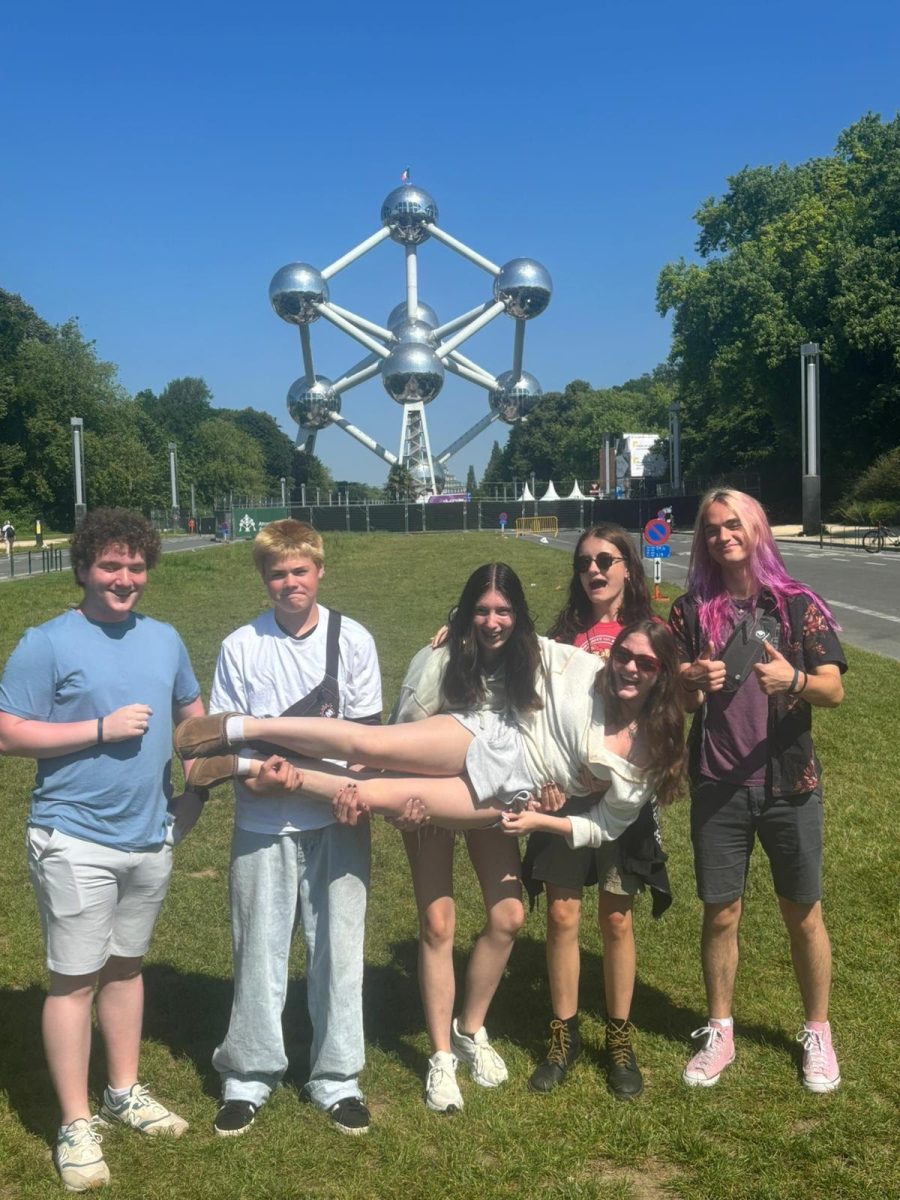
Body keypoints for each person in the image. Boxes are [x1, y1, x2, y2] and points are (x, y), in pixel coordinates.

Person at [0, 508, 206, 1193]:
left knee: (124, 968)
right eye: (111, 566)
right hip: (73, 837)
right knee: (74, 980)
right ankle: (74, 1123)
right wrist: (97, 728)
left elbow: (191, 717)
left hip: (150, 835)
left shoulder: (166, 638)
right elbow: (7, 732)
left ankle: (123, 1091)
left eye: (137, 566)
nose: (125, 579)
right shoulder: (47, 643)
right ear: (84, 568)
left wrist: (195, 793)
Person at [176, 621, 685, 849]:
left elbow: (604, 829)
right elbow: (519, 634)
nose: (629, 668)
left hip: (512, 789)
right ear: (611, 653)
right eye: (624, 655)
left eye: (646, 662)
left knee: (376, 793)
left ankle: (243, 766)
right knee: (369, 744)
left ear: (662, 673)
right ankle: (237, 727)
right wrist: (458, 626)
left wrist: (537, 823)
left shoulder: (650, 757)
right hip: (490, 733)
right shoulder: (584, 668)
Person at [207, 520, 383, 1139]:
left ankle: (337, 1077)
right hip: (262, 819)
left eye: (299, 571)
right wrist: (258, 778)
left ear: (319, 571)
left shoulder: (352, 638)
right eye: (277, 573)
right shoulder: (240, 646)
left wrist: (341, 789)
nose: (290, 583)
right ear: (263, 578)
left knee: (338, 948)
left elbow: (366, 740)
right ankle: (248, 1075)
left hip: (336, 815)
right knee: (258, 947)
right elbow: (222, 743)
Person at [669, 487, 846, 1093]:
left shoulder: (796, 604)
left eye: (734, 523)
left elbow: (833, 688)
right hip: (718, 783)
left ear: (756, 528)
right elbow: (683, 699)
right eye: (713, 528)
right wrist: (691, 679)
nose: (723, 535)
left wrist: (792, 677)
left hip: (789, 786)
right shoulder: (691, 611)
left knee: (803, 913)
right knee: (721, 913)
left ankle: (817, 1031)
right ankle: (720, 1029)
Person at [523, 525, 668, 1100]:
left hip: (626, 796)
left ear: (629, 566)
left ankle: (619, 1036)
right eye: (584, 561)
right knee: (561, 915)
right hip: (565, 795)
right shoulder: (562, 634)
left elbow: (679, 693)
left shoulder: (655, 630)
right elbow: (527, 701)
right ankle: (564, 1034)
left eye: (606, 559)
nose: (595, 570)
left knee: (615, 919)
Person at [390, 564, 535, 1114]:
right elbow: (400, 736)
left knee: (508, 916)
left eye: (503, 611)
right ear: (465, 612)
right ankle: (442, 1057)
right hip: (428, 797)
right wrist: (403, 802)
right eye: (481, 610)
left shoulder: (528, 659)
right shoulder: (440, 658)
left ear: (517, 616)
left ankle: (471, 1027)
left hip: (489, 797)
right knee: (437, 922)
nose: (493, 622)